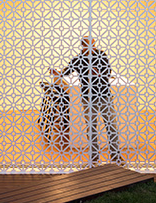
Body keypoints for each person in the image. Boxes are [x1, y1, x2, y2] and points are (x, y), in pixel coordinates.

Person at [51, 37, 121, 165]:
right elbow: (66, 72)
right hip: (88, 98)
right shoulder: (78, 59)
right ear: (83, 46)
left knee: (111, 126)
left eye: (92, 44)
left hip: (104, 95)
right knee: (91, 128)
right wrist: (57, 73)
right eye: (87, 45)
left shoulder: (101, 55)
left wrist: (94, 71)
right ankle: (94, 156)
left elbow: (107, 72)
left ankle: (115, 155)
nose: (90, 47)